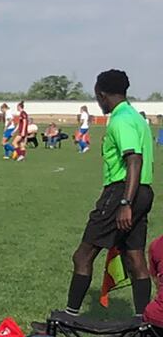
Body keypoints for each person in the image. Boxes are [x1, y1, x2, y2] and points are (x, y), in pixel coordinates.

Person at [64, 68, 153, 316]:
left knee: (82, 255)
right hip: (143, 191)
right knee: (135, 258)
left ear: (101, 94)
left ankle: (69, 314)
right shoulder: (135, 117)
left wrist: (125, 201)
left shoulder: (121, 120)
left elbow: (134, 159)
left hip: (122, 190)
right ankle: (144, 321)